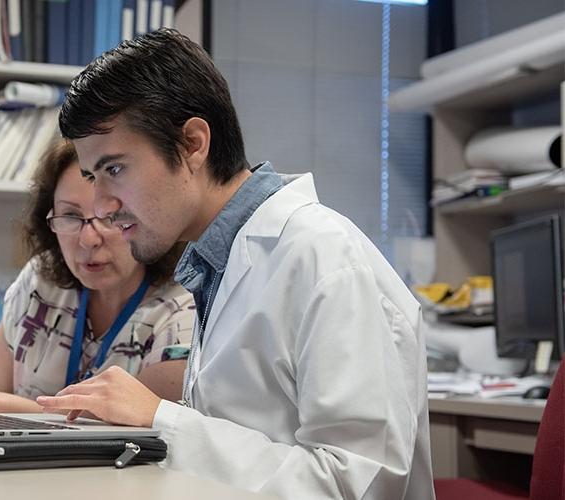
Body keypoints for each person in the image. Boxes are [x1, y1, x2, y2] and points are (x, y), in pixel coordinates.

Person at [35, 29, 434, 499]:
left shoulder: (324, 257)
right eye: (91, 176)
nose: (101, 205)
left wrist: (161, 420)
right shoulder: (217, 264)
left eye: (115, 170)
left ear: (192, 144)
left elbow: (358, 485)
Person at [0, 140, 195, 413]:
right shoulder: (38, 282)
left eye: (108, 217)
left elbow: (124, 428)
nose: (88, 239)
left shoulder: (185, 307)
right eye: (70, 215)